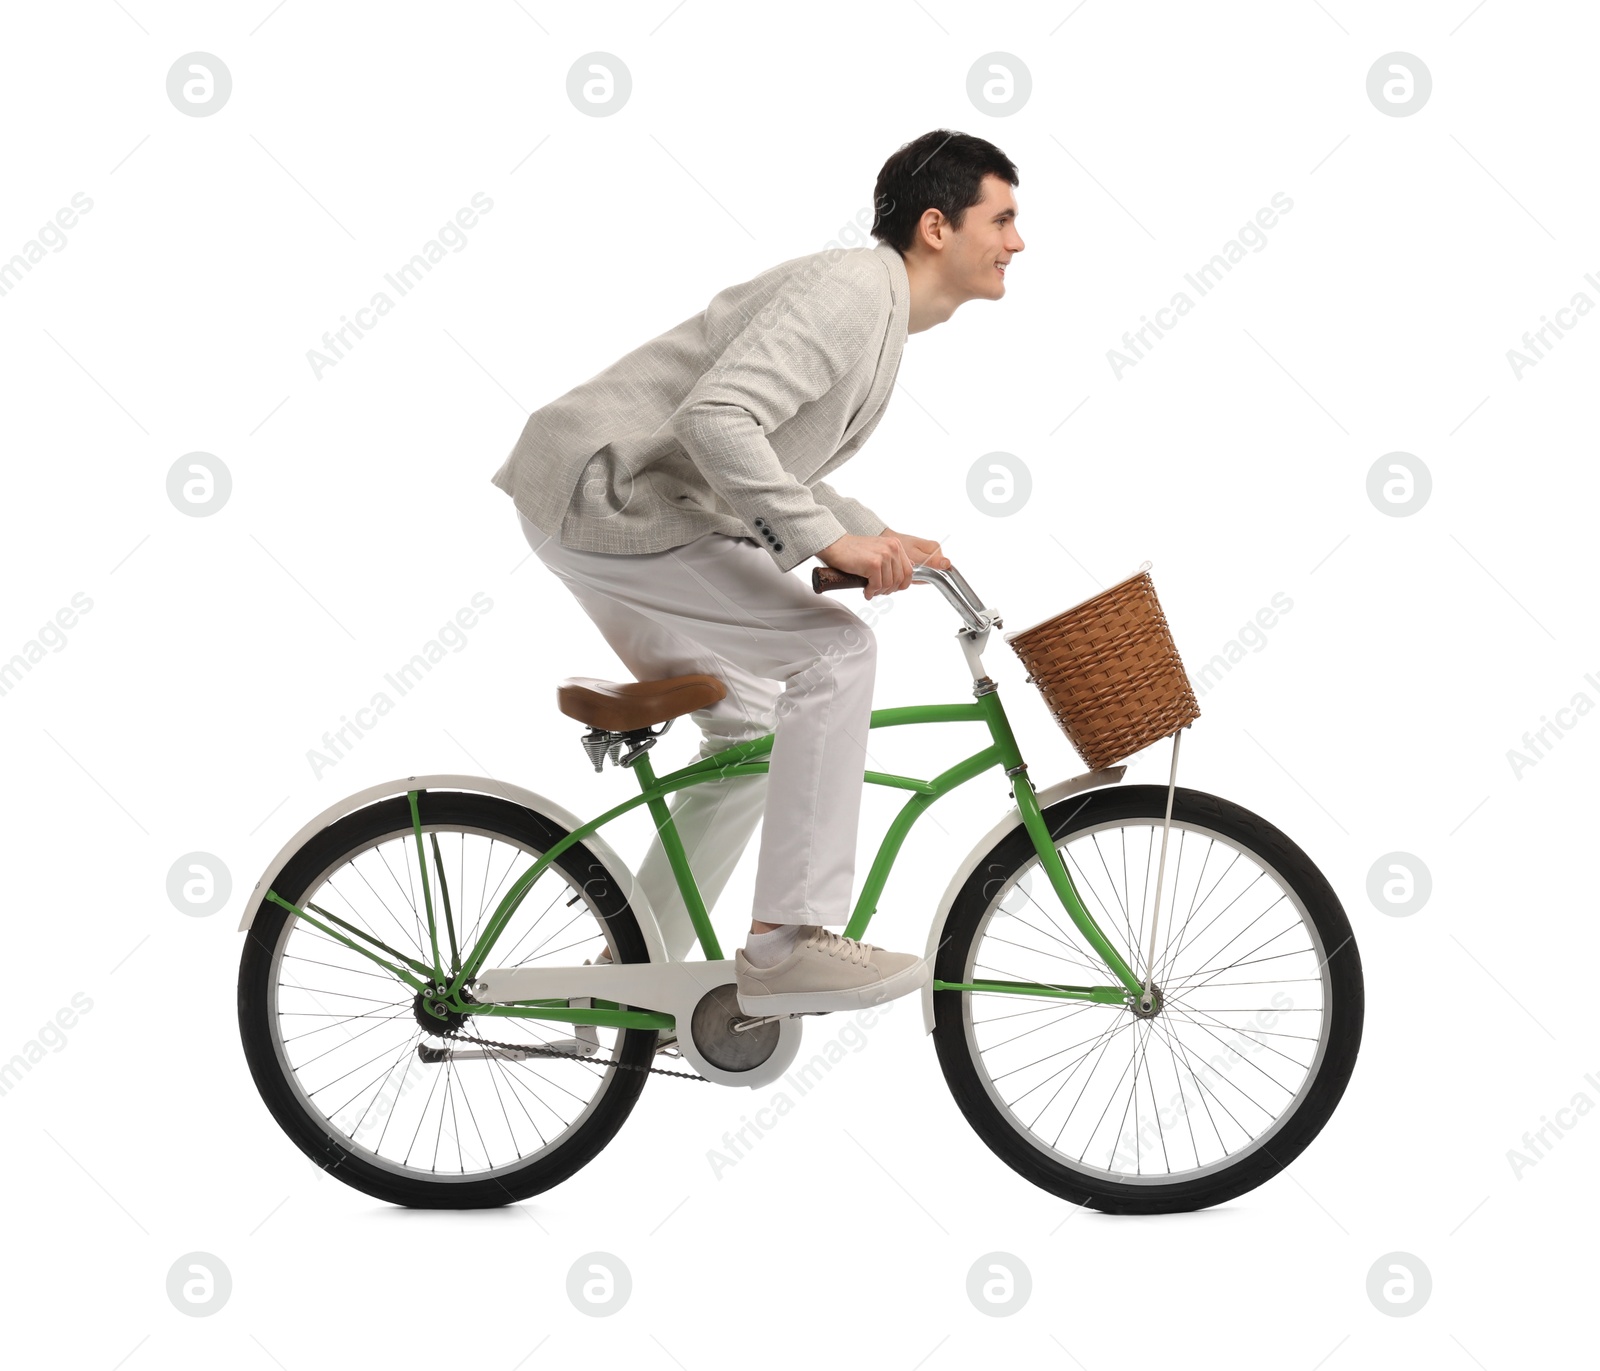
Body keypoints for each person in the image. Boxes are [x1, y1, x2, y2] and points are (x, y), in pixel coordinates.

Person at [490, 129, 1024, 1018]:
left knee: (745, 736)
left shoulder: (877, 310)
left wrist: (875, 532)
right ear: (938, 226)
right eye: (1002, 218)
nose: (1017, 241)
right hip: (615, 493)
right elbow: (720, 419)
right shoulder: (856, 292)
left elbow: (773, 452)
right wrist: (824, 542)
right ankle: (789, 943)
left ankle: (623, 990)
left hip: (596, 497)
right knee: (836, 654)